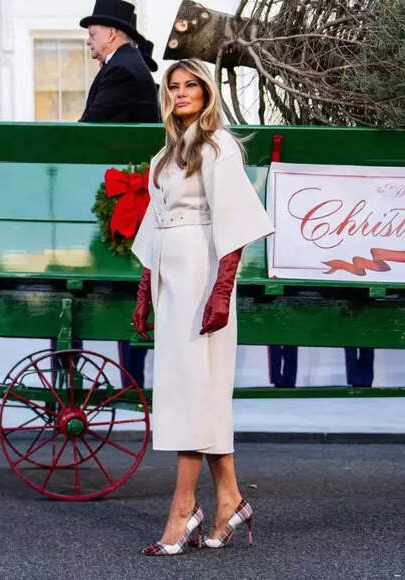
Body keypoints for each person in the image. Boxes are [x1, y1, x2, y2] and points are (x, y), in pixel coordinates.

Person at [130, 59, 274, 555]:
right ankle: (230, 498)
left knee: (193, 387)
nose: (181, 93)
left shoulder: (218, 146)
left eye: (191, 85)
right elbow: (154, 222)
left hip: (202, 273)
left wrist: (221, 291)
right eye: (173, 86)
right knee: (193, 387)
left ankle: (183, 506)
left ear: (207, 91)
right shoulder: (165, 155)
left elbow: (232, 225)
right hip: (172, 276)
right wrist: (145, 289)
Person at [61, 0, 160, 387]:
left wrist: (56, 145)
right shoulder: (125, 65)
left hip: (125, 195)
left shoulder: (121, 69)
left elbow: (92, 128)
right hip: (123, 187)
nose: (89, 41)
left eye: (93, 33)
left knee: (125, 287)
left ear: (113, 33)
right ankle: (131, 378)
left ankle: (132, 381)